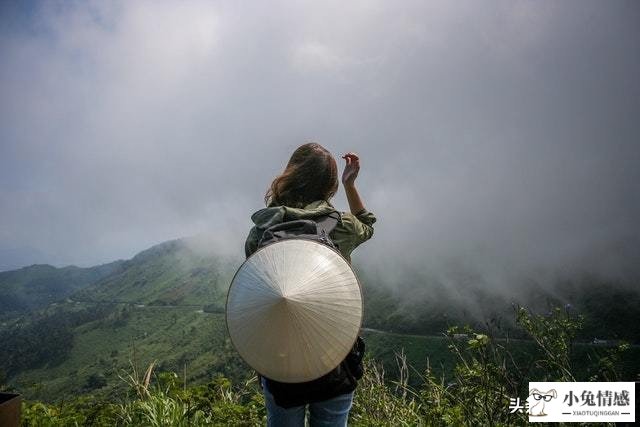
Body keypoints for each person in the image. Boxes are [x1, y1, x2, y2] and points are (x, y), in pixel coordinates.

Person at [244, 142, 376, 426]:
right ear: (329, 186)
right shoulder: (343, 226)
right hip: (335, 353)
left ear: (290, 174)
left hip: (281, 357)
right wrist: (350, 185)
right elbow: (368, 223)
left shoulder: (263, 229)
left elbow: (258, 287)